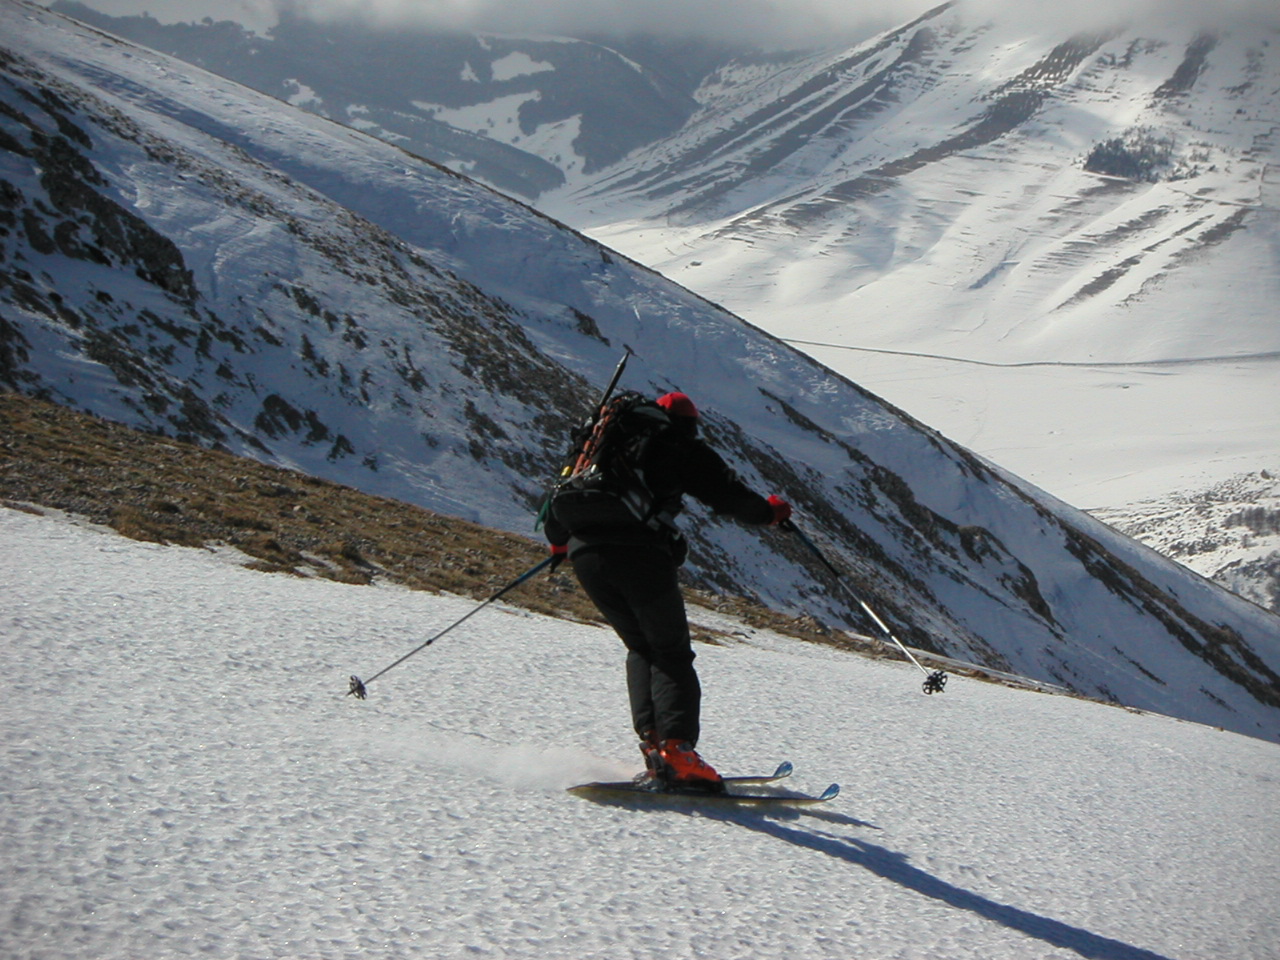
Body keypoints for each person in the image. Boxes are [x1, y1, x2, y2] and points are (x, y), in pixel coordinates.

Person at [544, 391, 792, 791]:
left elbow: (555, 507)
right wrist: (771, 512)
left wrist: (565, 544)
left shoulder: (600, 447)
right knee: (671, 651)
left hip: (585, 553)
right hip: (639, 555)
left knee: (641, 647)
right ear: (687, 423)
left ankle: (655, 745)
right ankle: (678, 754)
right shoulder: (675, 443)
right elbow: (727, 495)